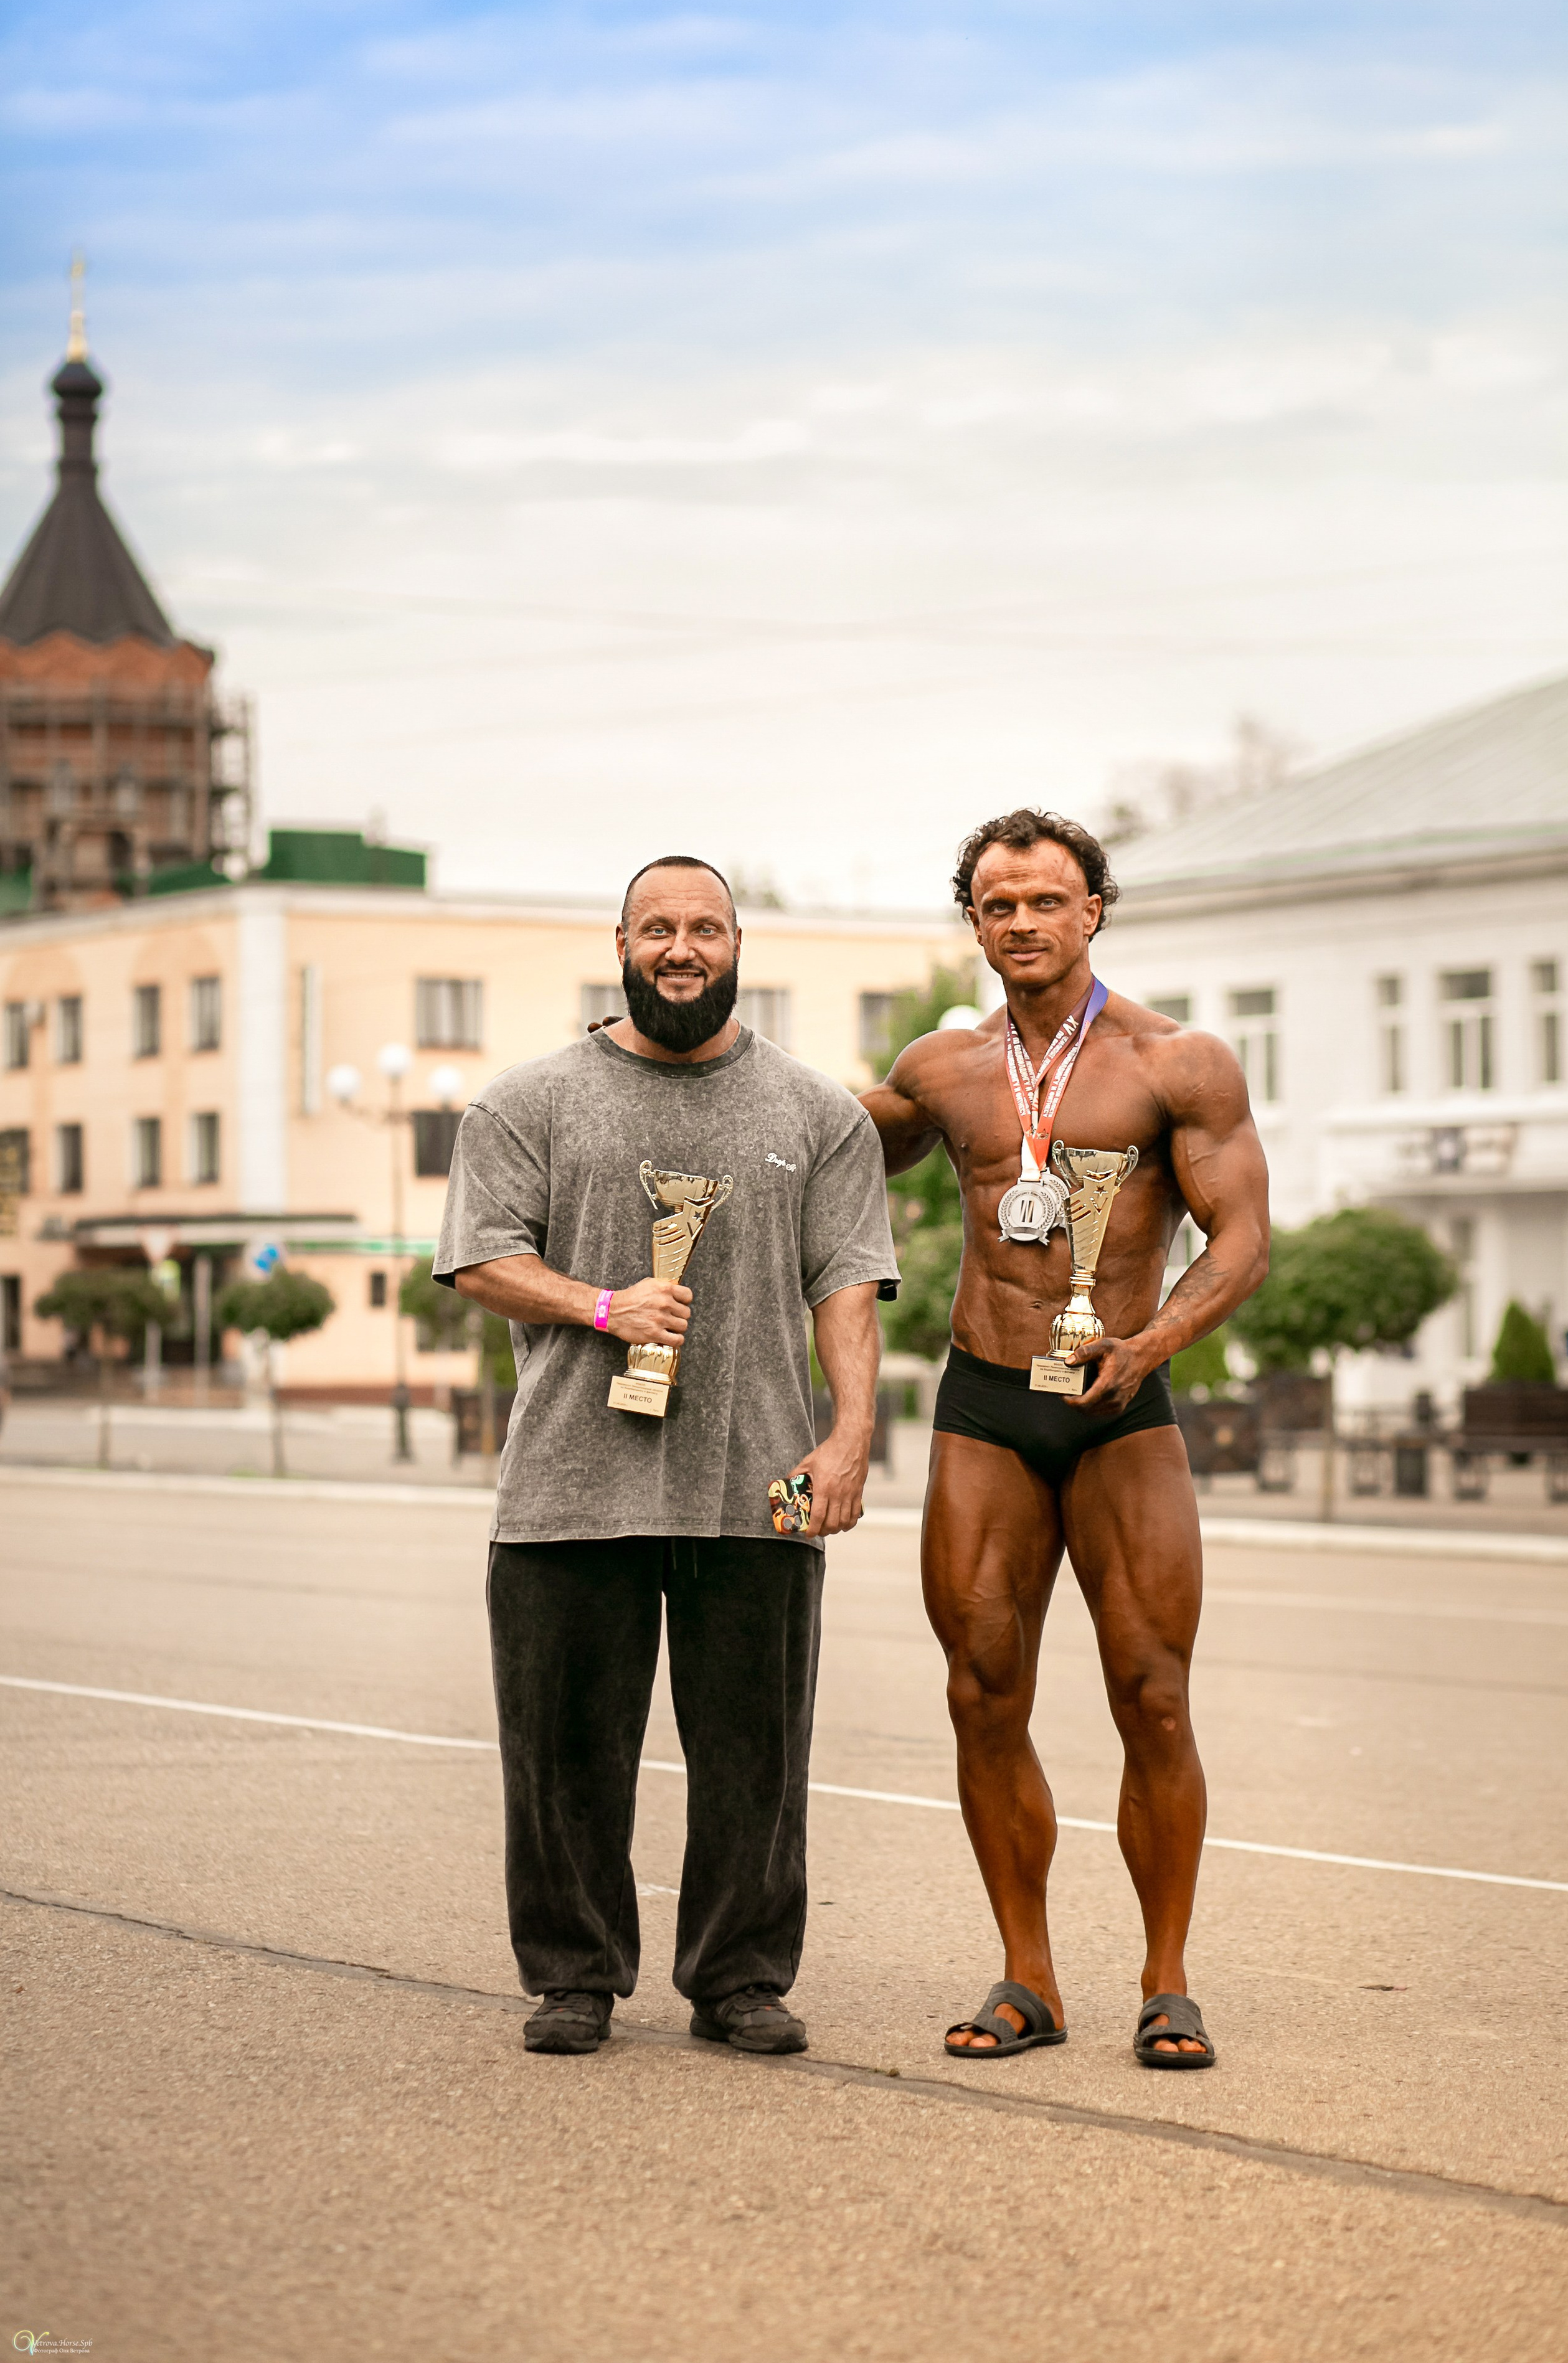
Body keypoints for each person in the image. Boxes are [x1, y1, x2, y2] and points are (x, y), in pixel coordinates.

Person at [435, 855, 897, 2059]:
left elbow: (847, 1281)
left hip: (755, 1483)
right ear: (622, 946)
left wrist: (848, 1438)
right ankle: (574, 1975)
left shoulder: (817, 1111)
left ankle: (740, 1978)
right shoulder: (527, 1103)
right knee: (564, 1755)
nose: (679, 948)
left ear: (739, 947)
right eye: (657, 929)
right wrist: (601, 1306)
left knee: (756, 1758)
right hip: (566, 1490)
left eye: (703, 928)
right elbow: (482, 1257)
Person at [860, 808, 1268, 2068]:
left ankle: (1165, 1980)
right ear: (972, 922)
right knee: (982, 1691)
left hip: (1119, 1405)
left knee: (1150, 1691)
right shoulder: (939, 1069)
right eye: (998, 905)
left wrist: (1152, 1344)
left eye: (1046, 900)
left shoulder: (1174, 1062)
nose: (1023, 923)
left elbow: (1243, 1240)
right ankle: (1024, 1977)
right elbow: (827, 1154)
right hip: (985, 1402)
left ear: (1092, 909)